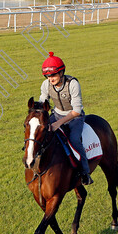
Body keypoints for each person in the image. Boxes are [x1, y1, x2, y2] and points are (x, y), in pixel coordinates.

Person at [39, 52, 93, 185]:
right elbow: (42, 103)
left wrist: (58, 123)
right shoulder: (46, 84)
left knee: (74, 139)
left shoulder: (73, 84)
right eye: (48, 75)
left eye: (53, 75)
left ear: (61, 72)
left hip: (75, 118)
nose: (50, 78)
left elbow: (76, 111)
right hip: (56, 114)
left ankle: (85, 172)